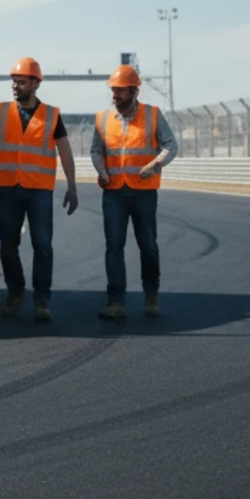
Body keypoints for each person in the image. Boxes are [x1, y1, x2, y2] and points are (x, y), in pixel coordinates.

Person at [0, 57, 80, 323]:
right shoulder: (0, 110)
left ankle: (42, 300)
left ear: (35, 83)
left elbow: (65, 151)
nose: (15, 86)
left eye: (21, 81)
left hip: (39, 191)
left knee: (42, 246)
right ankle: (15, 291)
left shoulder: (51, 115)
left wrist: (72, 187)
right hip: (9, 188)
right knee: (7, 245)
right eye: (13, 81)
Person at [92, 64, 179, 319]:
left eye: (120, 91)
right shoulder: (103, 118)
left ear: (133, 91)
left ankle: (151, 296)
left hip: (144, 193)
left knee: (148, 246)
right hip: (114, 193)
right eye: (113, 90)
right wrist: (102, 171)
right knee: (114, 247)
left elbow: (171, 146)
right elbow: (96, 150)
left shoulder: (153, 115)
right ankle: (115, 302)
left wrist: (155, 164)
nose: (115, 95)